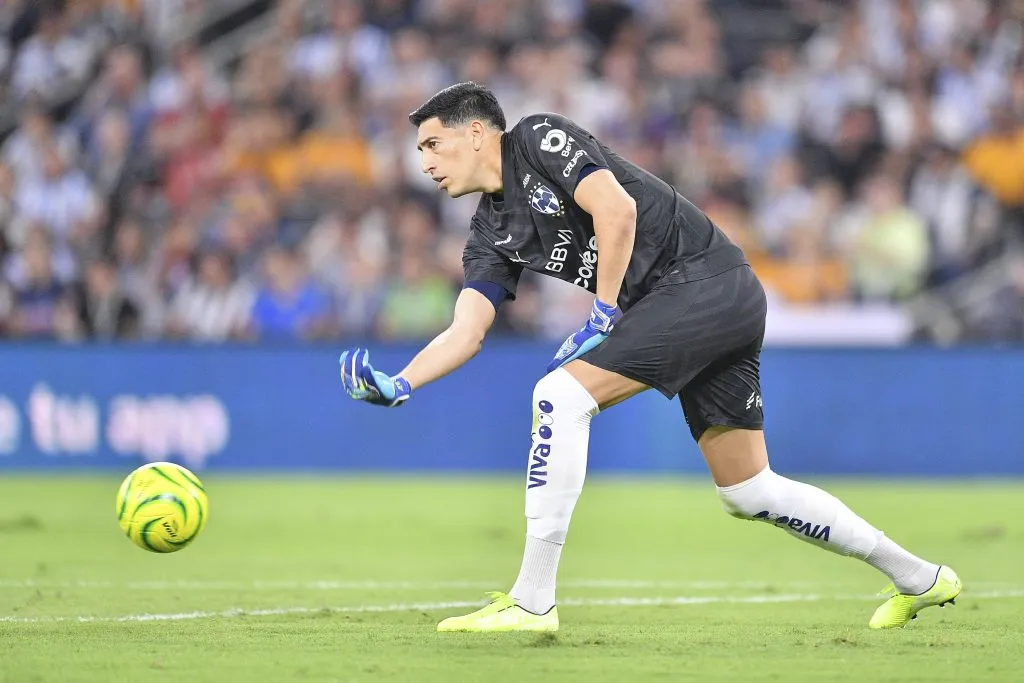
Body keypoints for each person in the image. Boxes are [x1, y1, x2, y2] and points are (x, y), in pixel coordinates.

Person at [337, 82, 960, 632]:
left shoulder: (537, 138)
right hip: (703, 302)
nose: (425, 162)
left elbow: (617, 209)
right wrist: (402, 382)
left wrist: (604, 312)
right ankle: (921, 578)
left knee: (558, 396)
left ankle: (532, 601)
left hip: (701, 281)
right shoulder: (488, 232)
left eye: (432, 144)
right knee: (748, 490)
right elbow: (467, 329)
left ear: (477, 133)